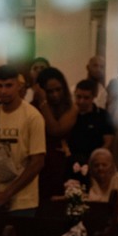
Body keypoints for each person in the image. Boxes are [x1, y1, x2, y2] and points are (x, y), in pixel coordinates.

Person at [0, 65, 46, 217]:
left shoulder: (33, 116)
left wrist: (7, 194)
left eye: (9, 85)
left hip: (23, 201)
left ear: (19, 86)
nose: (3, 91)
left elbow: (37, 162)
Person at [33, 66, 78, 200]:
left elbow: (55, 130)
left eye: (58, 89)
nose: (55, 95)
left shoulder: (71, 108)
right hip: (37, 160)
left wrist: (43, 103)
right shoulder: (32, 107)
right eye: (49, 91)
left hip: (58, 163)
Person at [66, 78, 115, 167]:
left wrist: (95, 159)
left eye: (86, 98)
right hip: (71, 162)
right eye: (78, 97)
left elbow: (108, 142)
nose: (81, 101)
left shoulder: (103, 115)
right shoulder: (68, 114)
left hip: (94, 164)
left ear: (94, 96)